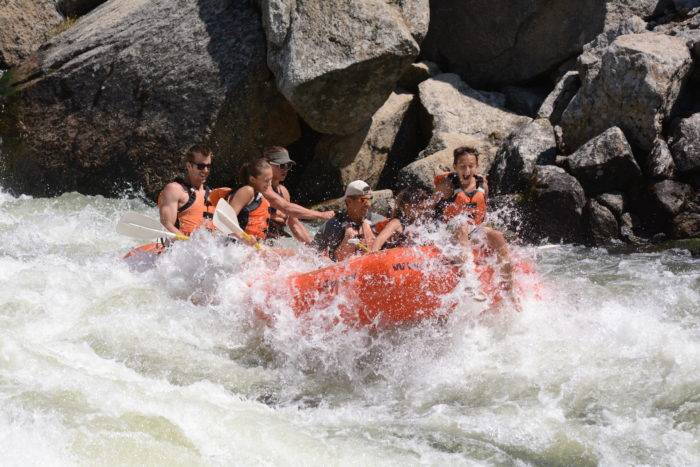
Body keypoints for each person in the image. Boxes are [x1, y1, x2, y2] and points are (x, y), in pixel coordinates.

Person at [433, 145, 518, 301]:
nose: (467, 171)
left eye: (471, 166)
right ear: (455, 167)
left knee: (497, 235)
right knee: (462, 224)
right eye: (462, 166)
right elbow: (433, 208)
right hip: (450, 230)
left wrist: (488, 233)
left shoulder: (482, 185)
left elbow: (483, 214)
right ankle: (470, 282)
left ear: (476, 167)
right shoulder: (447, 185)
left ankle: (510, 289)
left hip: (473, 230)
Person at [158, 144, 217, 237]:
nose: (205, 170)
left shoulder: (213, 195)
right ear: (189, 166)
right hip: (181, 248)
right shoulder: (175, 190)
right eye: (201, 166)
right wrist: (189, 245)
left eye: (208, 166)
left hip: (208, 249)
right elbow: (167, 225)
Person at [313, 180, 377, 262]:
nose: (368, 204)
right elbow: (313, 253)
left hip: (373, 266)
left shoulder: (376, 220)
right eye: (363, 200)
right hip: (344, 270)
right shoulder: (333, 225)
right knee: (350, 234)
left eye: (370, 199)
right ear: (349, 201)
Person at [263, 146, 314, 244]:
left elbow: (293, 222)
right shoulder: (260, 189)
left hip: (277, 241)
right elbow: (287, 207)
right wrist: (321, 215)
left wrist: (313, 246)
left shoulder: (284, 192)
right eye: (282, 165)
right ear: (268, 165)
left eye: (288, 165)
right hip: (260, 241)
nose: (285, 169)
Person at [226, 158, 273, 245]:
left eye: (271, 179)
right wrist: (243, 237)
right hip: (235, 247)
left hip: (249, 248)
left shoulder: (258, 195)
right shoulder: (247, 191)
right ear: (252, 179)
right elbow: (227, 219)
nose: (270, 184)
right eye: (266, 180)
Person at [371, 188, 435, 251]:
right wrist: (373, 256)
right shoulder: (396, 223)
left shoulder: (418, 223)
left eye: (424, 208)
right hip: (393, 257)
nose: (423, 212)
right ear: (407, 207)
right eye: (421, 208)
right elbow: (378, 241)